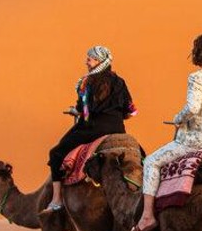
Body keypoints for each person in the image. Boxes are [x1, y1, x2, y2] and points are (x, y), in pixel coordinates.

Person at [133, 34, 202, 231]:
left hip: (195, 141)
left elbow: (192, 108)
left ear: (199, 52)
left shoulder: (197, 77)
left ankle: (147, 216)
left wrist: (179, 118)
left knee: (151, 162)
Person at [43, 45, 136, 212]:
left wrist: (76, 111)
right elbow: (130, 112)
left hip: (94, 127)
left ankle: (57, 200)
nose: (87, 61)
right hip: (118, 128)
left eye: (90, 58)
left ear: (100, 61)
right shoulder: (120, 81)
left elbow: (85, 111)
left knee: (55, 153)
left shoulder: (88, 81)